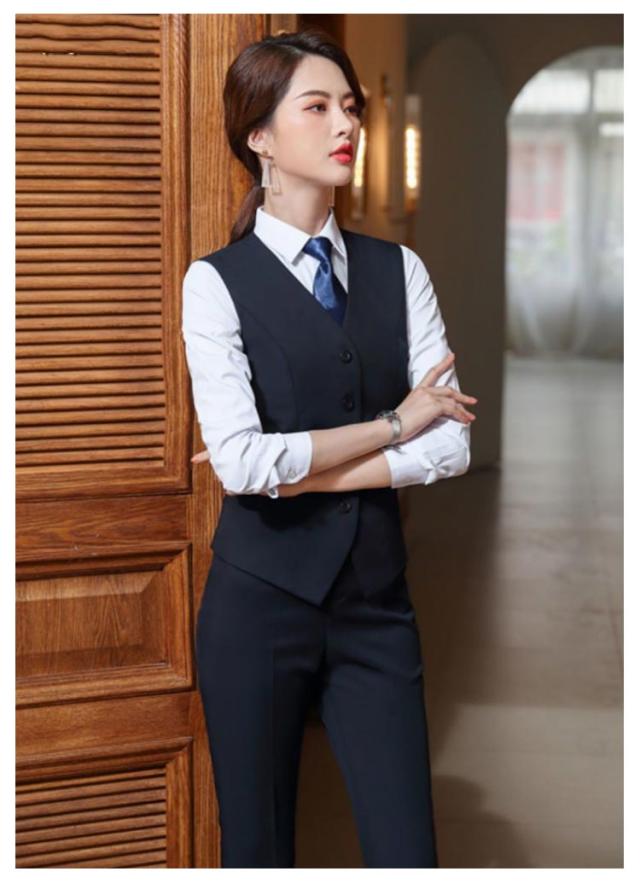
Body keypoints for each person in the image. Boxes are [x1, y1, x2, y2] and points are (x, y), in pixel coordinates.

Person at [181, 28, 477, 869]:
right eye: (317, 107)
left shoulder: (399, 271)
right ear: (261, 136)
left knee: (407, 853)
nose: (346, 124)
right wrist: (394, 424)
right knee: (259, 852)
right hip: (257, 610)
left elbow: (452, 446)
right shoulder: (214, 283)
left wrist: (294, 473)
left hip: (376, 607)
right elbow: (242, 464)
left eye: (350, 106)